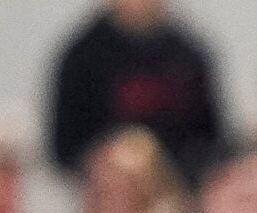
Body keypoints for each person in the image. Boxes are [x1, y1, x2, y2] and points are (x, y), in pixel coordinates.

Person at [47, 0, 225, 176]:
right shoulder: (83, 57)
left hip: (180, 188)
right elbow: (66, 147)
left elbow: (212, 139)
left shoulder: (189, 54)